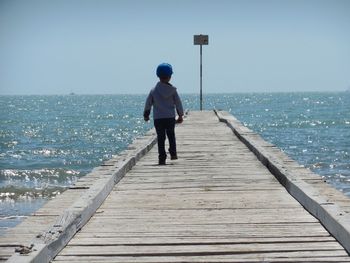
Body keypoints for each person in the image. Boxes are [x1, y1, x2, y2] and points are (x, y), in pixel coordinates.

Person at [143, 63, 184, 165]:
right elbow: (178, 103)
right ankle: (173, 153)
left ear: (158, 75)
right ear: (170, 77)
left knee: (161, 138)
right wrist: (180, 115)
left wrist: (146, 115)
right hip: (170, 117)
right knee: (171, 135)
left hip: (158, 118)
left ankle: (162, 158)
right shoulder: (173, 90)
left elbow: (148, 103)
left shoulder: (153, 90)